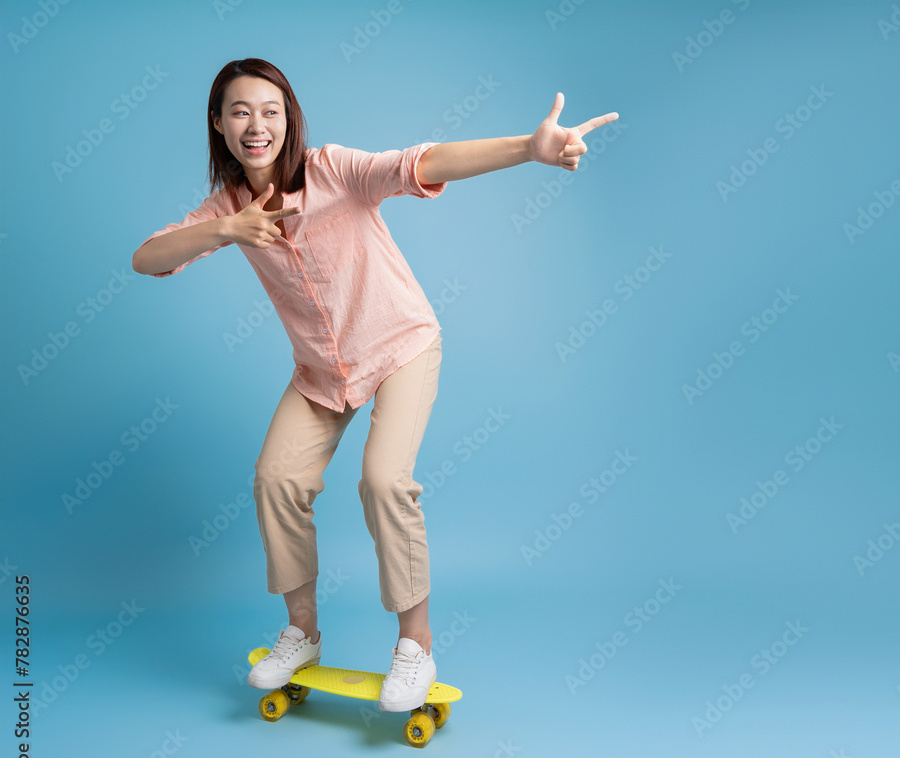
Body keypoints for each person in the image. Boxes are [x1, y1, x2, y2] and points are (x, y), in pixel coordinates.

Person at [132, 58, 618, 713]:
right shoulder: (228, 208)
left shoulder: (333, 169)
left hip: (400, 347)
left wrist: (527, 150)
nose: (257, 124)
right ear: (219, 125)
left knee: (385, 480)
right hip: (322, 373)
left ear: (289, 119)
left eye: (271, 110)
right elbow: (148, 258)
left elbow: (425, 161)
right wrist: (225, 228)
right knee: (276, 478)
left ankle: (415, 646)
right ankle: (301, 634)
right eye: (240, 111)